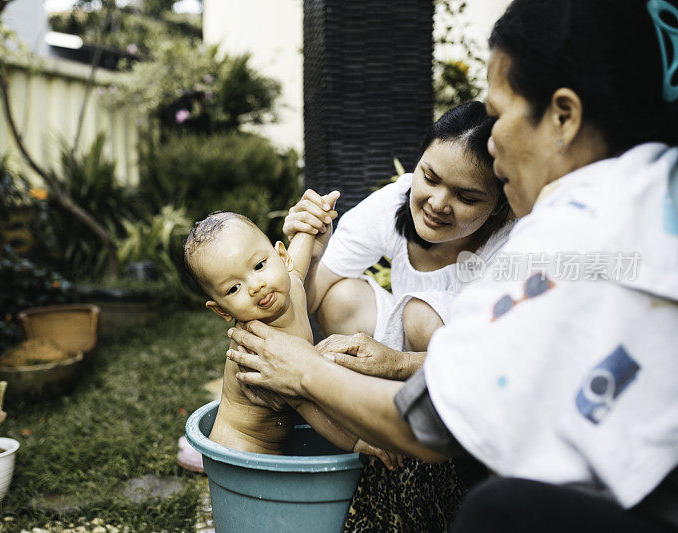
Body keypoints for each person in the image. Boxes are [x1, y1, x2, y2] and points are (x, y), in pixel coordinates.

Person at [225, 0, 678, 530]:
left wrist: (302, 371)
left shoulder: (566, 235)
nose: (490, 142)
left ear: (564, 115)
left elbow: (429, 423)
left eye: (499, 114)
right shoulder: (651, 186)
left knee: (496, 510)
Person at [282, 101, 513, 531]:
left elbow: (497, 362)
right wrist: (307, 253)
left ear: (500, 204)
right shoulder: (394, 201)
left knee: (422, 313)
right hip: (405, 365)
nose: (439, 203)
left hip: (474, 383)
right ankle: (367, 424)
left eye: (467, 197)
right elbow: (306, 297)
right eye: (430, 177)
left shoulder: (514, 245)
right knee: (341, 297)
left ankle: (434, 459)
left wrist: (396, 362)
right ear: (418, 163)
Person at [183, 212, 397, 465]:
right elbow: (307, 404)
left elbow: (302, 246)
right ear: (221, 310)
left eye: (259, 265)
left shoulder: (292, 283)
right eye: (233, 288)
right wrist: (357, 441)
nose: (255, 286)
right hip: (243, 449)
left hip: (274, 443)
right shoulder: (257, 347)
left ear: (282, 257)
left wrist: (314, 219)